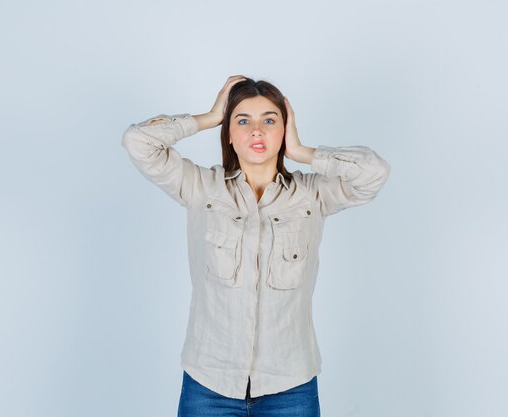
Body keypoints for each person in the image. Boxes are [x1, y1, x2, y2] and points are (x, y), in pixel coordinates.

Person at [121, 75, 391, 416]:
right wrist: (209, 116)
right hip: (209, 384)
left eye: (270, 120)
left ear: (285, 130)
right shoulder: (201, 188)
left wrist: (304, 153)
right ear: (229, 135)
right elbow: (137, 141)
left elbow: (375, 173)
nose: (257, 131)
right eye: (243, 121)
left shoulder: (312, 195)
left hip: (291, 386)